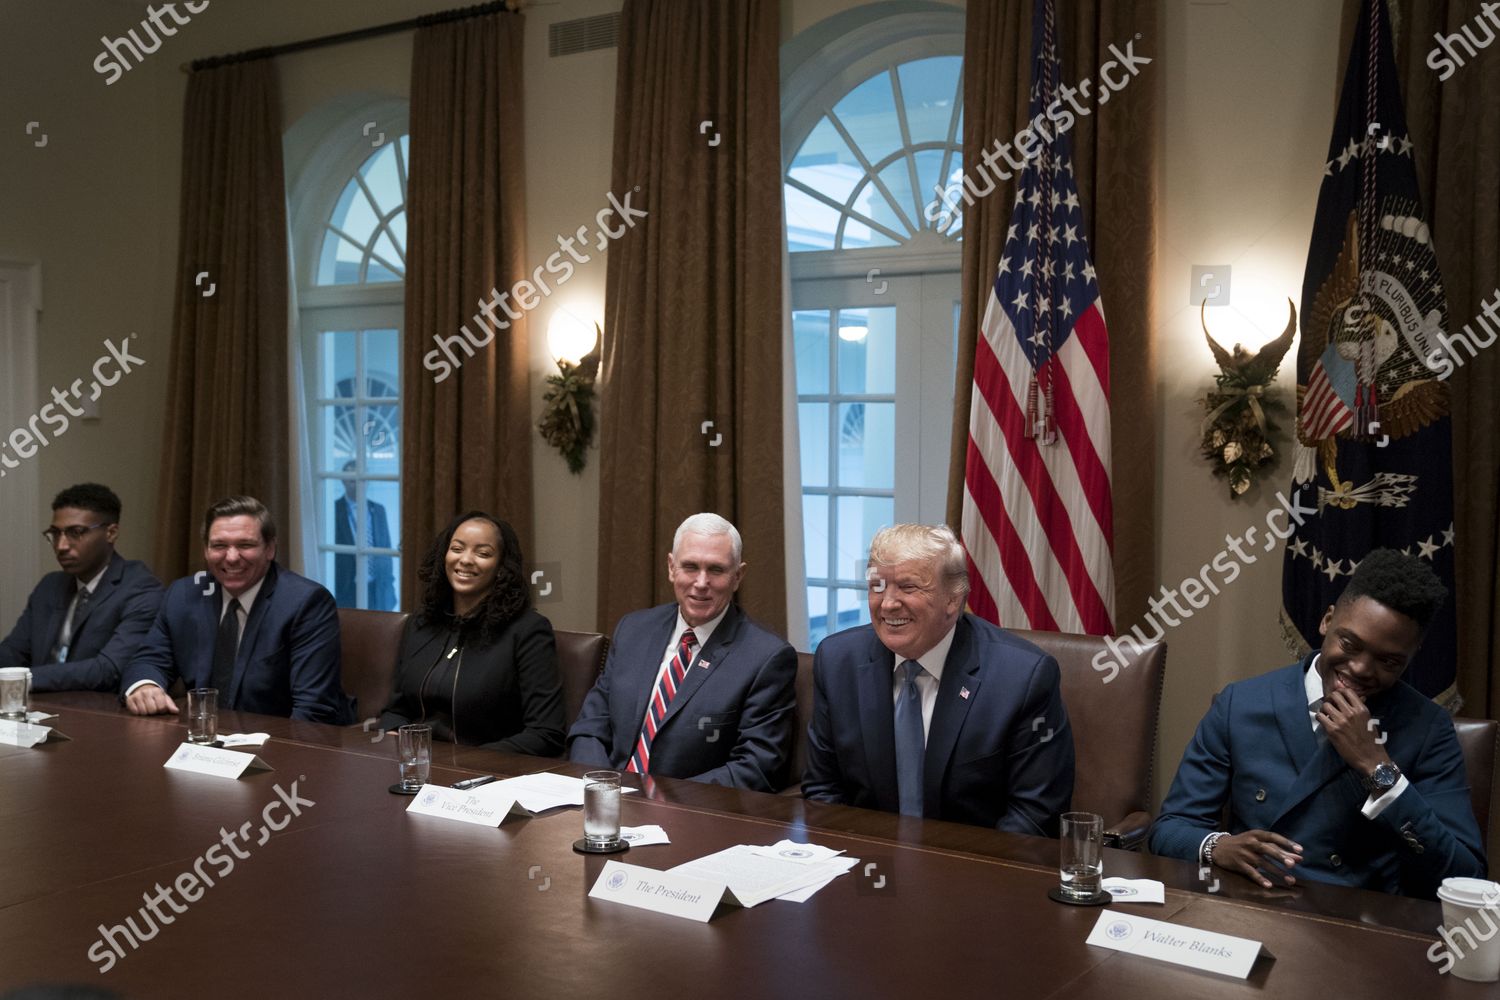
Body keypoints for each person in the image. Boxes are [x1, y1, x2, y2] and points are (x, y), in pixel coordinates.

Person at [1150, 549, 1486, 897]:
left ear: (1409, 659)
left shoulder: (1427, 728)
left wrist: (1378, 768)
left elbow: (1465, 874)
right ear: (1327, 621)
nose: (1360, 669)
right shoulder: (1241, 704)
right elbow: (1169, 829)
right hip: (1253, 908)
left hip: (1360, 925)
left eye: (1388, 661)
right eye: (1350, 644)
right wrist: (1218, 846)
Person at [802, 523, 1075, 835]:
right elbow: (824, 790)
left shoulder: (1022, 678)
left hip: (976, 868)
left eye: (908, 587)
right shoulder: (838, 662)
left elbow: (1035, 814)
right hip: (869, 867)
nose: (888, 603)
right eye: (877, 586)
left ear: (952, 600)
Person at [567, 513, 796, 791]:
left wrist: (658, 800)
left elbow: (757, 768)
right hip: (603, 800)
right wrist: (601, 789)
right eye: (690, 567)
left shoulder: (766, 657)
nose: (701, 582)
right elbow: (591, 726)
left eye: (716, 570)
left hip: (688, 815)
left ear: (737, 576)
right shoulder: (634, 629)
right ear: (671, 567)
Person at [121, 496, 353, 724]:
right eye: (219, 546)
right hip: (203, 740)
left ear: (270, 549)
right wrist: (145, 685)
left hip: (278, 742)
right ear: (206, 550)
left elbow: (313, 708)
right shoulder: (184, 594)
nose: (231, 558)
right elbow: (149, 659)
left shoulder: (305, 602)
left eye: (245, 545)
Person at [376, 512, 564, 755]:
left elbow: (546, 733)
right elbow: (396, 709)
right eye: (457, 549)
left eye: (483, 553)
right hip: (415, 767)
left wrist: (466, 763)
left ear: (501, 567)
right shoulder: (421, 623)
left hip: (486, 775)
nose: (465, 560)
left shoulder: (528, 630)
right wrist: (395, 741)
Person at [0, 483, 162, 692]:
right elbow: (14, 651)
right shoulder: (49, 585)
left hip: (96, 715)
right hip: (35, 712)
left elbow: (108, 669)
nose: (61, 546)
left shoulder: (141, 589)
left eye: (75, 532)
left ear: (111, 533)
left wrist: (19, 679)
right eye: (55, 534)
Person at [334, 461, 397, 611]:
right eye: (351, 480)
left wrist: (388, 584)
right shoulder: (334, 510)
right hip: (347, 587)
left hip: (377, 588)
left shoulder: (378, 510)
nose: (357, 484)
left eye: (362, 480)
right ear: (343, 481)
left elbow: (385, 548)